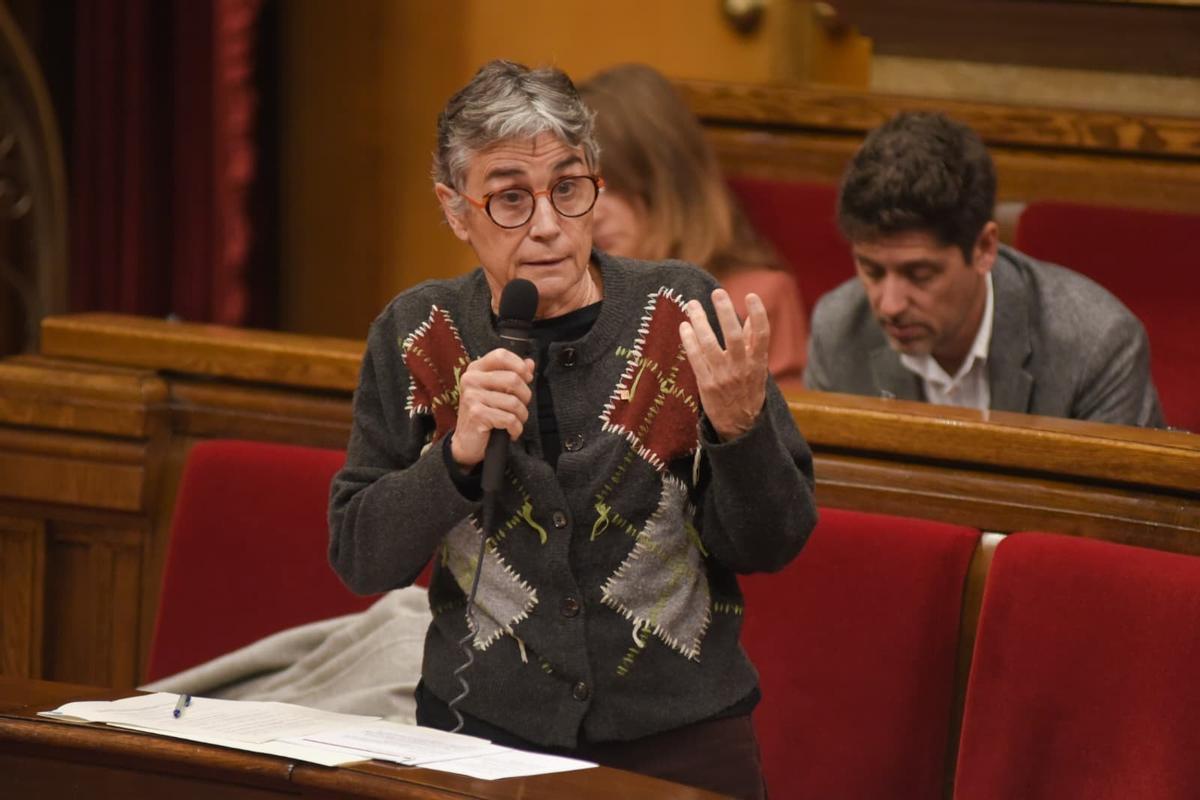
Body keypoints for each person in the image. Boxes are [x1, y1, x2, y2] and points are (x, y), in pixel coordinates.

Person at [328, 60, 816, 799]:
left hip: (680, 741)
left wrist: (740, 430)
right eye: (510, 200)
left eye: (567, 187)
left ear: (596, 184)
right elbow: (360, 556)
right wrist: (455, 460)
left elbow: (774, 541)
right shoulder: (415, 333)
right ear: (457, 211)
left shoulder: (683, 310)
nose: (548, 226)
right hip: (480, 738)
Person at [804, 111, 1164, 427]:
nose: (890, 306)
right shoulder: (839, 330)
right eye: (872, 271)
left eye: (919, 274)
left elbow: (1117, 505)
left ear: (984, 249)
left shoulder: (1095, 345)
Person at [579, 63, 809, 386]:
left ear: (669, 183)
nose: (594, 211)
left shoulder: (757, 299)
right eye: (580, 188)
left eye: (614, 185)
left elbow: (775, 434)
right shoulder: (573, 297)